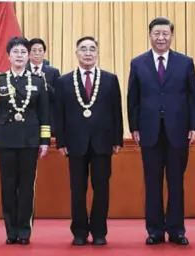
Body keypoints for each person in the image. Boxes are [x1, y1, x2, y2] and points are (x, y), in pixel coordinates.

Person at [127, 17, 195, 245]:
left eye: (165, 34)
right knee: (152, 182)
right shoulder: (138, 63)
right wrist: (134, 126)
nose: (161, 38)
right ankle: (155, 230)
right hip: (149, 131)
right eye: (156, 34)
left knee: (176, 182)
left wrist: (194, 126)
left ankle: (177, 230)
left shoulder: (185, 62)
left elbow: (193, 97)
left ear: (171, 35)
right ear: (150, 36)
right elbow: (133, 98)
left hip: (178, 131)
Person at [55, 36, 123, 246]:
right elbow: (59, 113)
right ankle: (79, 231)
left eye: (92, 49)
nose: (88, 52)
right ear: (76, 53)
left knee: (101, 188)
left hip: (102, 143)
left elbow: (116, 112)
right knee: (77, 188)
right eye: (83, 49)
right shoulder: (63, 81)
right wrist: (61, 141)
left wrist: (117, 139)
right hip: (74, 144)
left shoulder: (110, 79)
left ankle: (100, 231)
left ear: (97, 53)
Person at [0, 36, 51, 245]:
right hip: (5, 140)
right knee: (7, 186)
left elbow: (44, 114)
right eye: (16, 52)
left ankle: (24, 231)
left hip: (29, 140)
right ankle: (10, 230)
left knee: (26, 187)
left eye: (24, 52)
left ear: (29, 56)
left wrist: (44, 140)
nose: (20, 56)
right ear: (9, 56)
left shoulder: (38, 81)